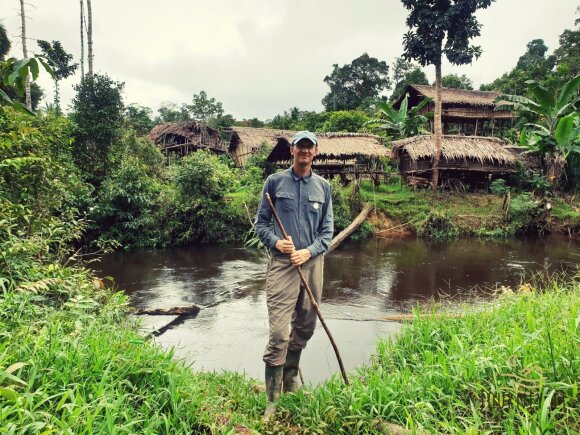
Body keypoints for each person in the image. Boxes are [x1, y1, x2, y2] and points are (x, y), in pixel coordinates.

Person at [255, 130, 334, 420]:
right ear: (292, 151)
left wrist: (309, 251)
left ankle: (290, 379)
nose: (304, 151)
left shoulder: (323, 187)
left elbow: (327, 232)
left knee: (306, 326)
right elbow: (260, 225)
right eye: (299, 147)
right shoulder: (274, 182)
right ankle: (272, 401)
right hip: (282, 265)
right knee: (279, 333)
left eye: (309, 147)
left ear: (315, 152)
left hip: (313, 265)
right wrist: (277, 242)